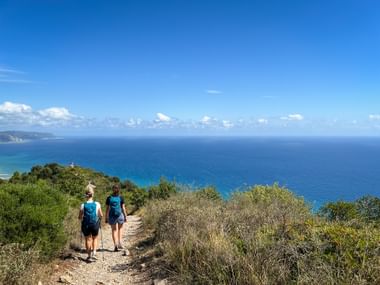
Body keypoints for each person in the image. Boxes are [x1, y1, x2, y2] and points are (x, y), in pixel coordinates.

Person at [78, 182, 103, 261]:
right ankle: (94, 253)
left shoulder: (83, 205)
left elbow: (79, 217)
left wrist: (81, 218)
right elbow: (101, 215)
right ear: (93, 194)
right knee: (95, 238)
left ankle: (89, 256)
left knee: (88, 239)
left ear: (86, 195)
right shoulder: (97, 204)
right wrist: (99, 218)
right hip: (95, 224)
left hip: (86, 225)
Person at [106, 184, 127, 251]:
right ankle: (120, 243)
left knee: (114, 230)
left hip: (112, 216)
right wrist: (125, 216)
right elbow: (123, 208)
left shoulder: (109, 198)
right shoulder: (121, 197)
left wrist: (106, 217)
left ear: (112, 190)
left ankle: (115, 245)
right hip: (120, 215)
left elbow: (107, 209)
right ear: (119, 190)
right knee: (120, 229)